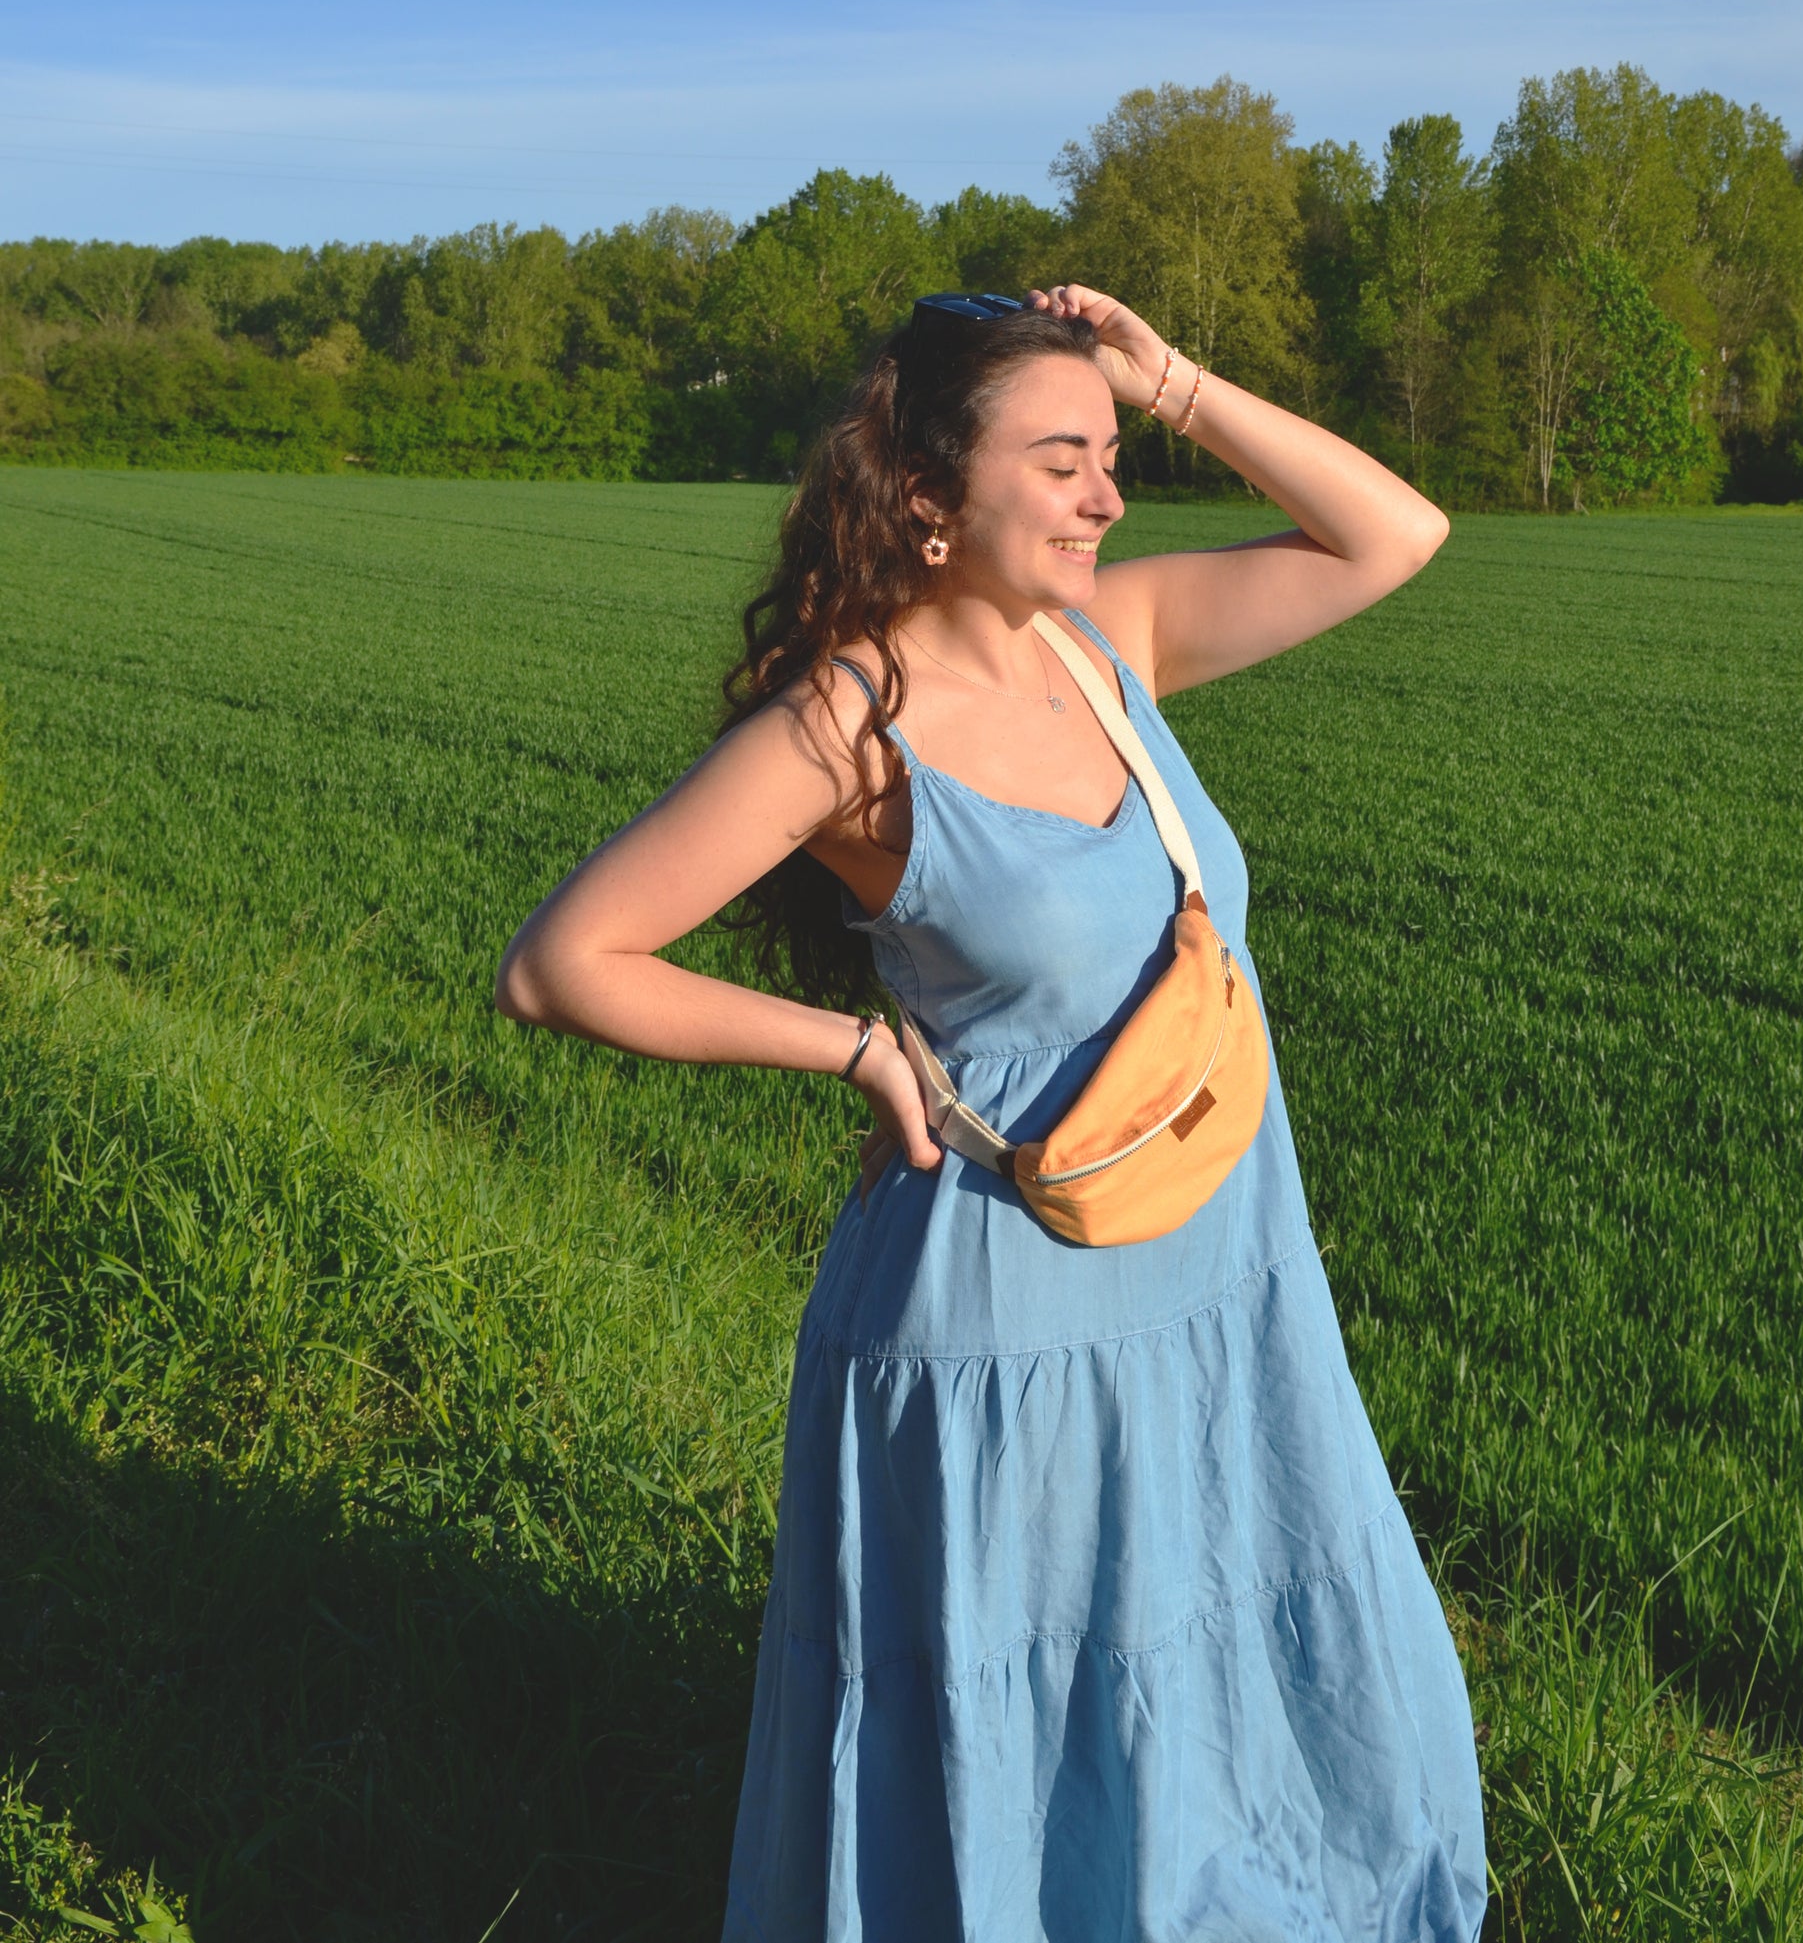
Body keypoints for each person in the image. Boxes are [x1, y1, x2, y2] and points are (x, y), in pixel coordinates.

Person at [496, 286, 1487, 1942]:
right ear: (928, 499)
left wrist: (1167, 377)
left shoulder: (1113, 645)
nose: (1108, 493)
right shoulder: (848, 727)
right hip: (996, 1321)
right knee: (1026, 1716)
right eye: (1062, 459)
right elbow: (562, 961)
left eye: (1113, 457)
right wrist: (853, 1050)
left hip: (1212, 1271)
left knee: (1221, 1643)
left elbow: (1392, 532)